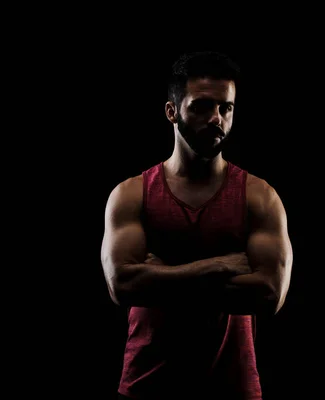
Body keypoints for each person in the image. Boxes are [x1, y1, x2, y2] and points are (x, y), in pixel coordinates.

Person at [100, 51, 293, 400]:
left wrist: (159, 277)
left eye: (226, 108)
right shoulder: (132, 194)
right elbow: (123, 286)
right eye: (202, 106)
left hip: (232, 388)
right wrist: (218, 266)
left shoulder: (259, 197)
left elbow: (269, 294)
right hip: (147, 385)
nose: (216, 118)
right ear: (172, 111)